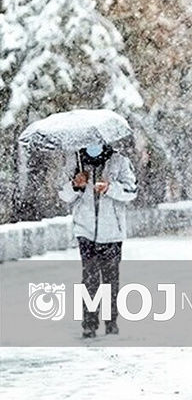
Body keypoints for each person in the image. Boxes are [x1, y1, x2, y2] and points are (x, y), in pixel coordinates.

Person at [57, 143, 137, 338]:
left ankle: (111, 322)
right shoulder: (75, 161)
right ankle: (89, 323)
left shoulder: (119, 161)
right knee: (89, 279)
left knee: (110, 280)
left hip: (112, 232)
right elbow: (63, 194)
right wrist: (76, 185)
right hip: (85, 230)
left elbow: (131, 191)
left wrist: (110, 188)